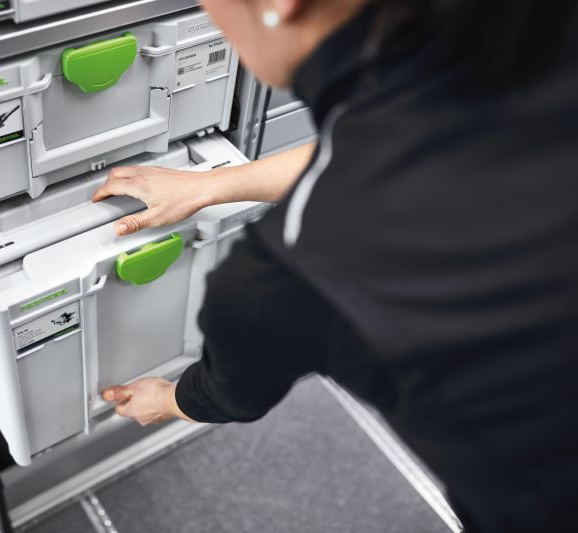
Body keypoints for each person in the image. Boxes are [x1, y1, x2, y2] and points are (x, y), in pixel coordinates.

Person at [95, 1, 578, 531]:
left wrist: (167, 400)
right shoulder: (539, 34)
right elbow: (386, 147)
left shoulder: (294, 268)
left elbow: (231, 391)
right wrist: (209, 185)